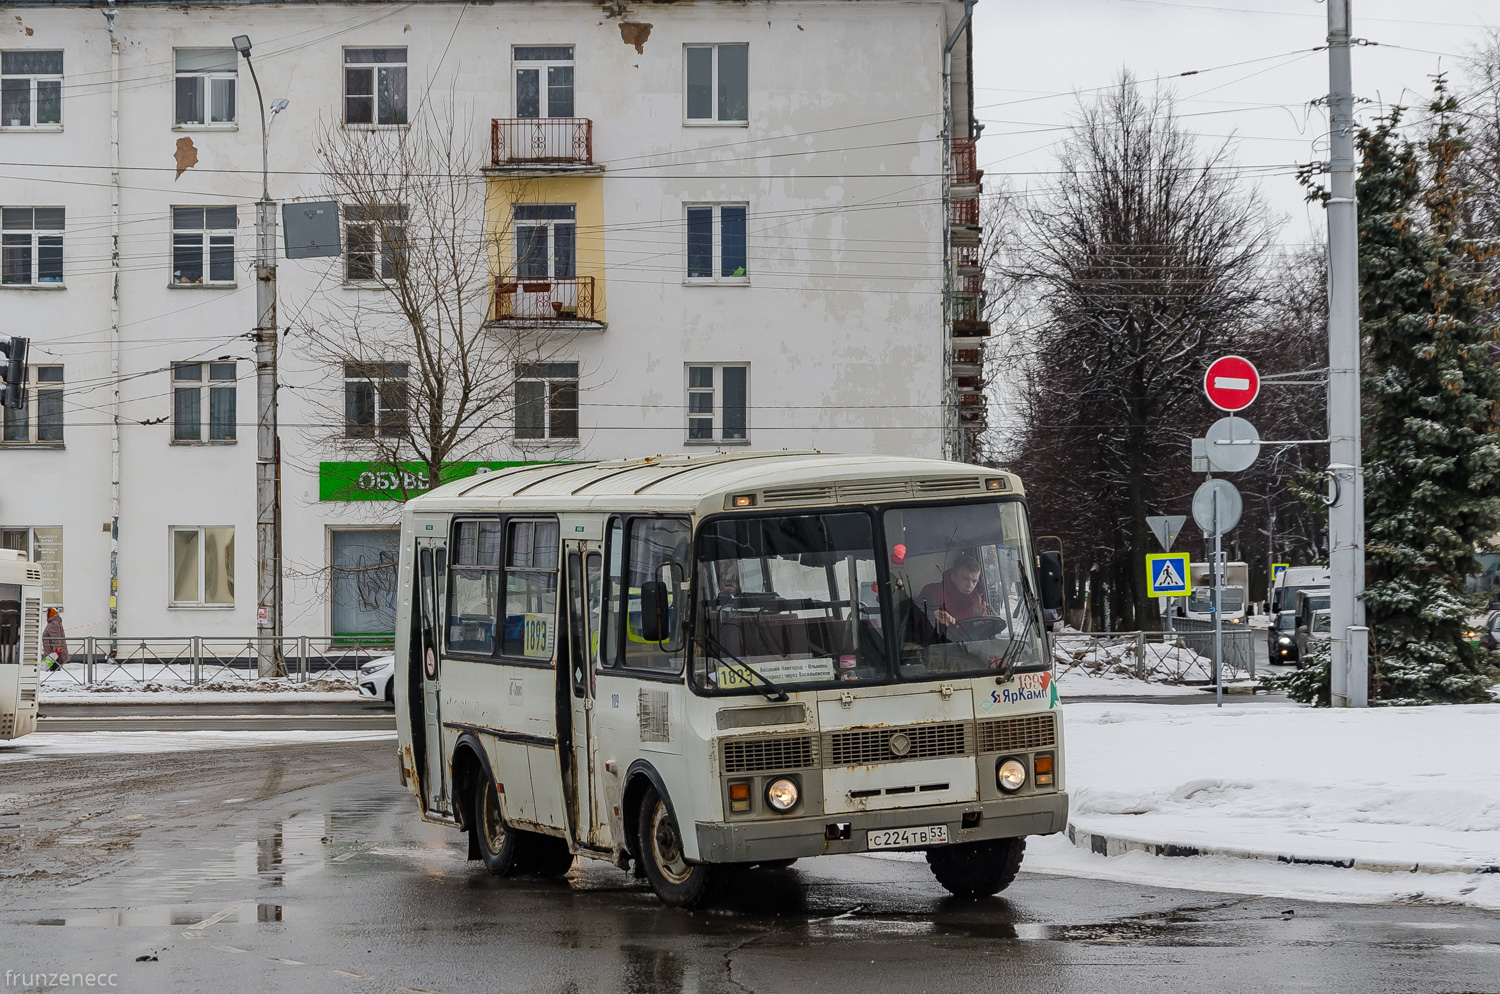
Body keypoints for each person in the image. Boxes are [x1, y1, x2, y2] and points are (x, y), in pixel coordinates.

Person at [918, 555, 989, 629]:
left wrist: (977, 622)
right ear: (953, 576)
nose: (970, 585)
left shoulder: (978, 604)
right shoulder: (933, 591)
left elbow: (986, 636)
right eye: (965, 579)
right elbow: (916, 613)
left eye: (974, 581)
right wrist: (933, 614)